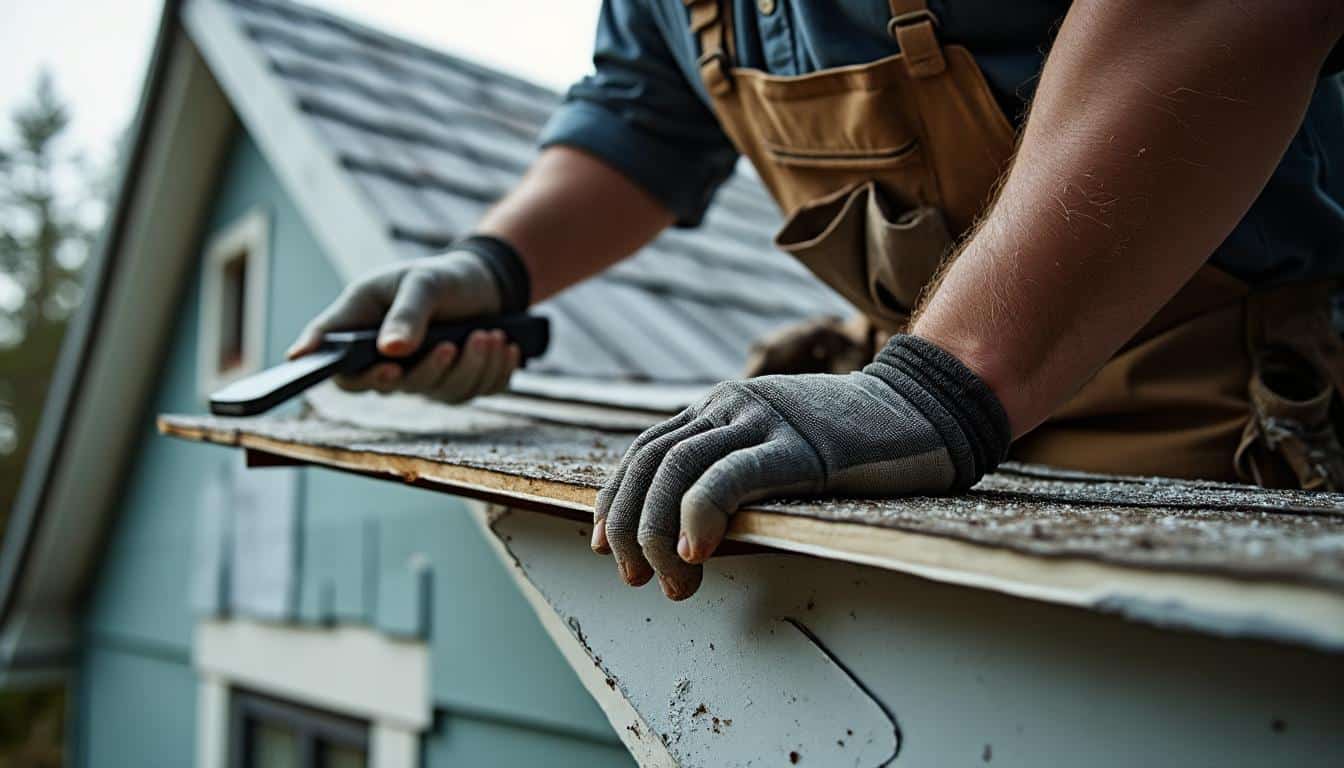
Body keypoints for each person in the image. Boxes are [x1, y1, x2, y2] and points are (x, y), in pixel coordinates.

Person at [289, 1, 1344, 600]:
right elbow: (643, 118)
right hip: (925, 453)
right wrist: (492, 268)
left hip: (1245, 439)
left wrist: (944, 383)